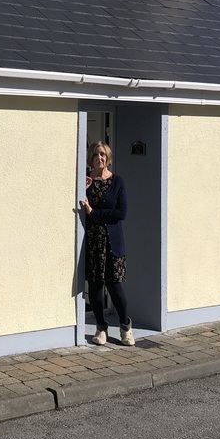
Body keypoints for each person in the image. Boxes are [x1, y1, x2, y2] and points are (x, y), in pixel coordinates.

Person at [79, 141, 133, 346]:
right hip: (93, 241)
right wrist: (82, 190)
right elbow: (79, 205)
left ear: (107, 158)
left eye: (102, 155)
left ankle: (125, 327)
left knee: (115, 286)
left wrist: (95, 213)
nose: (99, 158)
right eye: (95, 155)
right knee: (95, 287)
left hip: (112, 242)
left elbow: (121, 213)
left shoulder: (117, 182)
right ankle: (101, 327)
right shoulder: (86, 181)